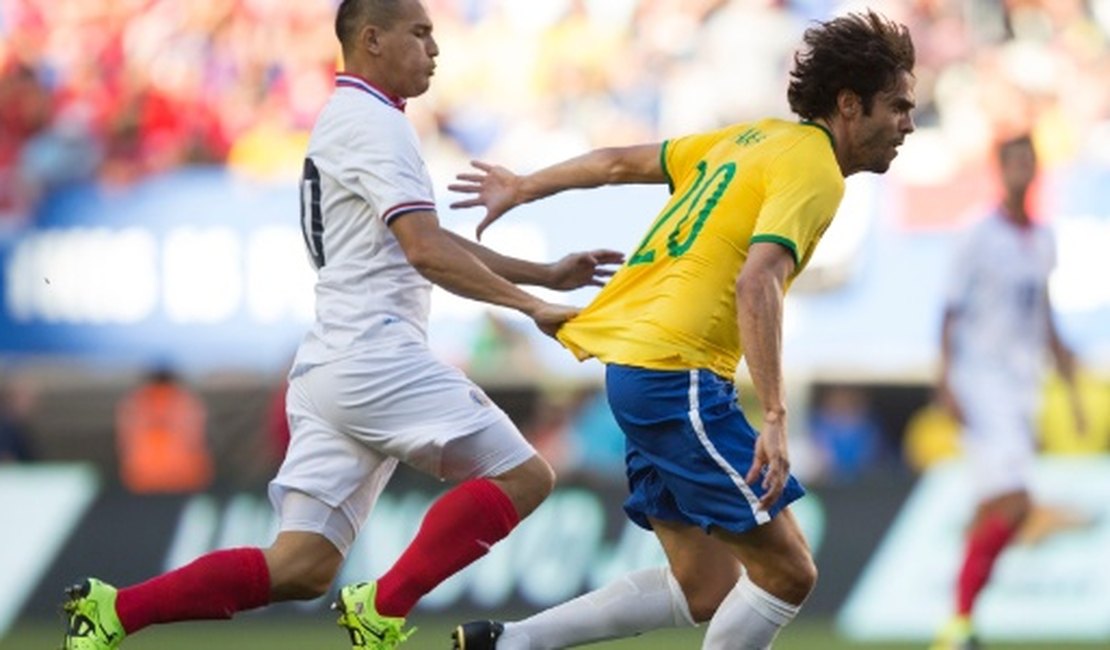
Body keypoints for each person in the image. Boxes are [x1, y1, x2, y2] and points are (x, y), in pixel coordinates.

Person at [60, 1, 621, 649]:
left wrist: (542, 275)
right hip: (376, 354)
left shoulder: (352, 119)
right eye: (420, 34)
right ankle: (383, 608)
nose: (434, 50)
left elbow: (424, 239)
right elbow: (425, 251)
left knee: (301, 566)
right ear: (373, 39)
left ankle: (115, 612)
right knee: (526, 476)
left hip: (331, 363)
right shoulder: (375, 124)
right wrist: (533, 308)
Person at [449, 9, 916, 649]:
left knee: (704, 587)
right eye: (898, 106)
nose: (908, 125)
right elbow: (759, 283)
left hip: (637, 371)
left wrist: (525, 184)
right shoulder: (816, 171)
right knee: (788, 572)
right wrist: (775, 416)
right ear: (848, 103)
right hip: (676, 373)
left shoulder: (749, 139)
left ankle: (511, 643)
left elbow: (617, 162)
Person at [930, 133, 1086, 650]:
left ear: (1037, 169)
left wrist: (1074, 390)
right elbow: (949, 313)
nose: (1022, 170)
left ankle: (959, 624)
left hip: (1023, 387)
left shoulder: (1043, 239)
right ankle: (959, 619)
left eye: (1029, 161)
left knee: (994, 510)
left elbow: (1044, 316)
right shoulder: (977, 234)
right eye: (1013, 161)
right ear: (1000, 169)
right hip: (982, 382)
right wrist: (946, 379)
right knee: (1015, 503)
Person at [114, 366, 212, 493]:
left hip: (144, 476)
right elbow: (196, 437)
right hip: (181, 475)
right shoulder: (186, 401)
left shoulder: (135, 402)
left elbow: (125, 441)